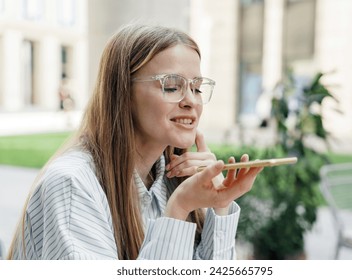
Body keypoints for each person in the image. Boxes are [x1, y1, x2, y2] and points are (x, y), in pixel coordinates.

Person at [7, 24, 263, 260]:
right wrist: (179, 208)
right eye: (172, 86)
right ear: (123, 93)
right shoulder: (71, 184)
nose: (191, 101)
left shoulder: (172, 180)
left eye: (196, 87)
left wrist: (219, 206)